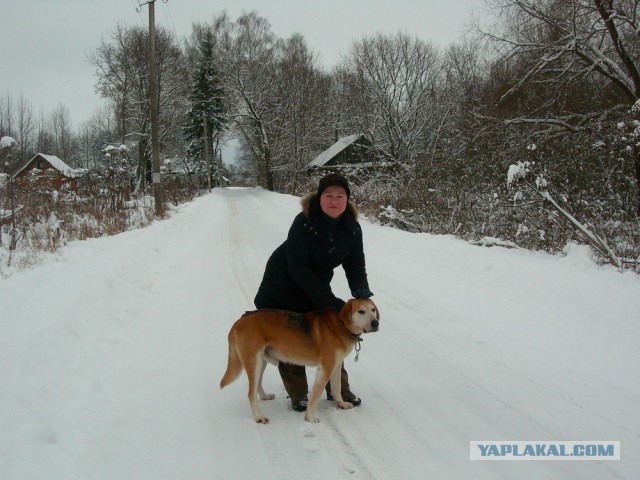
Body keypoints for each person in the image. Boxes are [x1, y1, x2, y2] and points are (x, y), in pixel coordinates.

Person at [254, 172, 373, 412]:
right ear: (319, 199)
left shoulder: (352, 228)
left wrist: (360, 290)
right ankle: (299, 394)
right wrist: (330, 301)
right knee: (289, 336)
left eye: (340, 196)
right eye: (328, 195)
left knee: (333, 331)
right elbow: (299, 268)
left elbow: (355, 262)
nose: (334, 200)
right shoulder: (304, 222)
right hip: (282, 284)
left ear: (347, 200)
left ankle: (338, 390)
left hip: (314, 283)